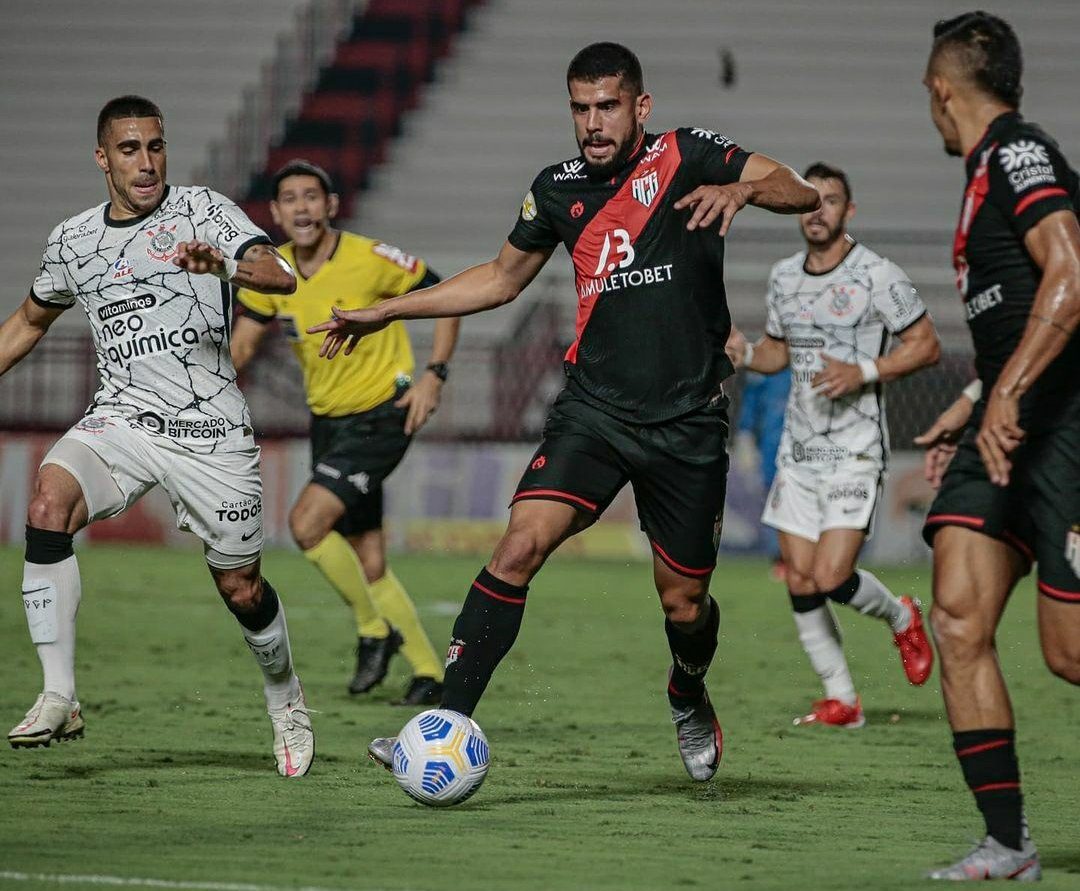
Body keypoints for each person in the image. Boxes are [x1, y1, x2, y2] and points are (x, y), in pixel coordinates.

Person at [310, 42, 820, 781]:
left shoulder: (688, 153)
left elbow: (798, 188)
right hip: (595, 412)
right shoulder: (556, 189)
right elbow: (499, 277)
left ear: (640, 107)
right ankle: (444, 719)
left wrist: (744, 192)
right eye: (580, 108)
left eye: (607, 105)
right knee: (518, 545)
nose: (592, 122)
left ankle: (686, 687)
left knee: (685, 603)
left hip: (687, 422)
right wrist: (390, 310)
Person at [2, 96, 315, 778]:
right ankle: (60, 695)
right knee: (48, 504)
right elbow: (28, 321)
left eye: (155, 147)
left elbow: (281, 273)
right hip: (122, 419)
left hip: (209, 428)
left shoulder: (202, 210)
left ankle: (284, 694)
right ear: (102, 158)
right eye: (129, 149)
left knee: (241, 588)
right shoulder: (74, 240)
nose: (146, 163)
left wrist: (224, 264)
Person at [914, 12, 1080, 880]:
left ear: (943, 92)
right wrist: (980, 397)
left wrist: (1006, 393)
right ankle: (1008, 841)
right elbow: (1021, 310)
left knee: (1070, 652)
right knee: (957, 616)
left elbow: (1072, 275)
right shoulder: (989, 171)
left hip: (1062, 428)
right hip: (1005, 425)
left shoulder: (1018, 155)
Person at [231, 160, 459, 704]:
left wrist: (434, 374)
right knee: (369, 560)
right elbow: (241, 347)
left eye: (312, 196)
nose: (302, 207)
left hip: (383, 412)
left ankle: (374, 631)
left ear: (331, 205)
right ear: (277, 213)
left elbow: (449, 296)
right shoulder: (273, 272)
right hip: (327, 421)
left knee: (306, 524)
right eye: (290, 198)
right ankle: (429, 673)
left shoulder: (370, 257)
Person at [727, 163, 939, 728]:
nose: (818, 210)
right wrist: (745, 354)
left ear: (849, 211)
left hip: (854, 450)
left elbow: (925, 346)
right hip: (797, 456)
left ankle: (900, 616)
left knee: (829, 576)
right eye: (810, 201)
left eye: (831, 201)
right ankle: (842, 700)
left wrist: (864, 371)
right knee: (799, 578)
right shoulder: (783, 278)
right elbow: (777, 353)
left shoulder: (878, 275)